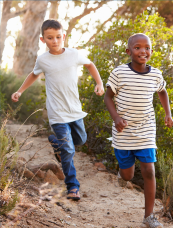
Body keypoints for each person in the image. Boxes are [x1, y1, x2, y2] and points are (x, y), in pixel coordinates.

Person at [11, 19, 104, 200]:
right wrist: (20, 91)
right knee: (68, 150)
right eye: (50, 38)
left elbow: (90, 65)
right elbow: (34, 74)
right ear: (42, 39)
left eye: (58, 37)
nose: (55, 41)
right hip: (57, 113)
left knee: (81, 139)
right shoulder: (43, 59)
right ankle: (72, 187)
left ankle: (55, 143)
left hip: (75, 111)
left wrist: (99, 83)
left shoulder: (73, 54)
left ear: (64, 36)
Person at [104, 33, 173, 228]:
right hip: (123, 130)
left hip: (146, 129)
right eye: (137, 47)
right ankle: (122, 174)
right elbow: (108, 97)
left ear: (151, 51)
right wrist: (116, 118)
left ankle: (149, 216)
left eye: (147, 47)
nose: (143, 51)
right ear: (128, 51)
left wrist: (167, 113)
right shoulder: (119, 73)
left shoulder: (156, 74)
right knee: (128, 176)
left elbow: (162, 91)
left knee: (149, 171)